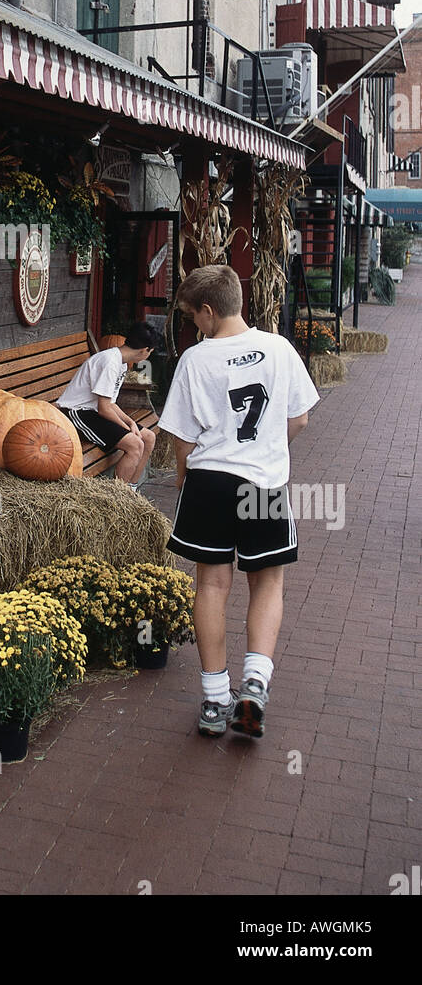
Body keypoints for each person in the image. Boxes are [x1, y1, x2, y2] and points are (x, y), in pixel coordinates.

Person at [157, 265, 319, 739]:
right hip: (262, 485)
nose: (193, 327)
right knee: (267, 584)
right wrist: (271, 449)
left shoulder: (195, 359)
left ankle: (213, 701)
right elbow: (301, 419)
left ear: (208, 312)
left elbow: (181, 438)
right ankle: (254, 685)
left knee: (211, 586)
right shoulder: (280, 348)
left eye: (192, 318)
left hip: (210, 483)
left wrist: (185, 479)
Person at [57, 322, 162, 489]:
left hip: (93, 411)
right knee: (135, 445)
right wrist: (127, 430)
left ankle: (131, 490)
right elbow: (104, 408)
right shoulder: (109, 362)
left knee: (149, 437)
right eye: (151, 351)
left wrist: (131, 423)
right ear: (144, 350)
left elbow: (110, 404)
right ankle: (119, 496)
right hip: (75, 413)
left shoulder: (120, 362)